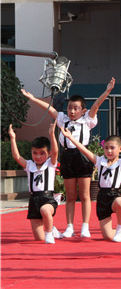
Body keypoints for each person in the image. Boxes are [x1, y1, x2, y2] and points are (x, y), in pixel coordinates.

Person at [21, 78, 115, 238]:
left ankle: (85, 226)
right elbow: (49, 109)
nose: (71, 111)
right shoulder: (63, 119)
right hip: (67, 157)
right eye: (70, 107)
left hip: (82, 156)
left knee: (84, 195)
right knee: (70, 196)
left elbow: (96, 106)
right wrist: (32, 98)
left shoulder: (87, 120)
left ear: (83, 111)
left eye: (76, 108)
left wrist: (107, 91)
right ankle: (70, 226)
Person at [60, 127, 121, 242]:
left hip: (114, 195)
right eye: (106, 148)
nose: (109, 151)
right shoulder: (100, 161)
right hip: (102, 199)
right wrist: (70, 137)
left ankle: (120, 229)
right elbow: (83, 150)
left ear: (120, 149)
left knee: (120, 201)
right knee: (108, 237)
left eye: (112, 148)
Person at [8, 123, 63, 243]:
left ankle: (49, 233)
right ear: (31, 152)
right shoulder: (29, 165)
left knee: (45, 210)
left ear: (48, 153)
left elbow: (55, 151)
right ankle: (52, 230)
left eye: (42, 153)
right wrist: (12, 138)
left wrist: (52, 135)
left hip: (47, 199)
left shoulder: (50, 164)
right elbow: (17, 157)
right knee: (39, 239)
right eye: (35, 153)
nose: (38, 156)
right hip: (34, 201)